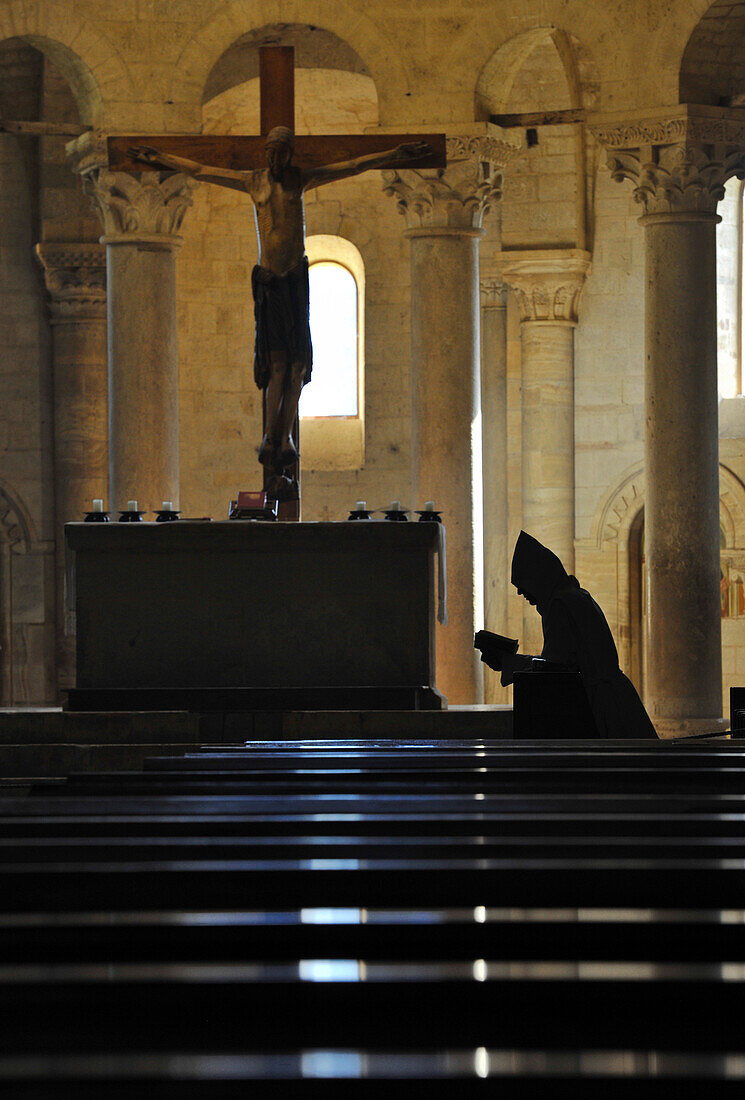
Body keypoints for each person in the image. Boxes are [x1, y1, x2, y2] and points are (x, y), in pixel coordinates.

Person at [129, 130, 429, 498]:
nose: (276, 159)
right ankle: (274, 436)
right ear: (266, 152)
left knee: (299, 365)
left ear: (289, 153)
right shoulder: (251, 180)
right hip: (270, 281)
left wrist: (394, 154)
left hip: (295, 280)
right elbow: (202, 169)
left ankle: (282, 435)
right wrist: (161, 157)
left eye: (282, 152)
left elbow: (351, 166)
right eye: (271, 151)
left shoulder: (298, 180)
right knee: (276, 366)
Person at [476, 531, 657, 739]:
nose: (520, 592)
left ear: (538, 576)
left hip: (596, 706)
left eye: (523, 583)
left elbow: (556, 670)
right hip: (613, 697)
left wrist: (508, 662)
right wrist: (511, 662)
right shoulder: (576, 596)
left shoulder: (560, 605)